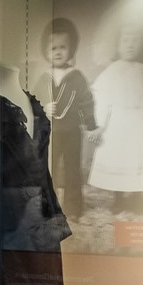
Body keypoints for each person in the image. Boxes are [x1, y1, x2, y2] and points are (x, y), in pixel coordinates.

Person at [86, 23, 143, 207]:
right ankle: (119, 198)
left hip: (139, 125)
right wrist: (99, 125)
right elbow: (102, 101)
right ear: (118, 44)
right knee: (118, 158)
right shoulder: (111, 72)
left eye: (135, 40)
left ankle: (137, 198)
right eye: (125, 40)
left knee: (138, 159)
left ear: (142, 44)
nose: (130, 44)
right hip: (117, 125)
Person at [34, 17, 95, 218]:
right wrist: (43, 107)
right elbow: (32, 102)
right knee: (47, 168)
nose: (58, 52)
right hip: (50, 133)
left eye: (63, 47)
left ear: (71, 49)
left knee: (72, 170)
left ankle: (74, 208)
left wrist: (91, 125)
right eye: (53, 48)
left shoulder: (76, 76)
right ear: (46, 51)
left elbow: (86, 101)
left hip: (72, 132)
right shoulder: (44, 77)